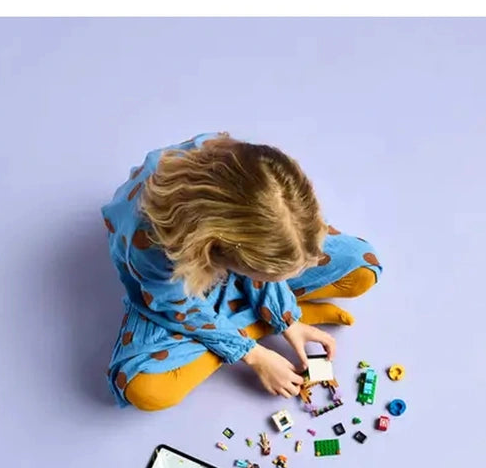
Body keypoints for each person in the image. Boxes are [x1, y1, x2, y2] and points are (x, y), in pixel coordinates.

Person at [101, 132, 382, 410]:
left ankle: (258, 315)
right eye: (267, 276)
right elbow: (180, 309)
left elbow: (268, 248)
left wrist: (287, 320)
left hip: (245, 250)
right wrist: (255, 355)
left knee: (362, 270)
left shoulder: (246, 166)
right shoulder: (150, 247)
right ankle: (254, 325)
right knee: (146, 391)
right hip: (179, 293)